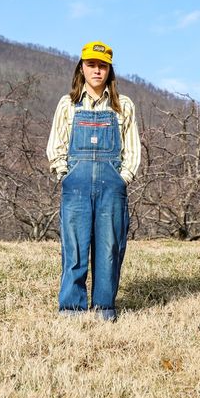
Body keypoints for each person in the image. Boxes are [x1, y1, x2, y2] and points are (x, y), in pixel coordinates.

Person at [45, 41, 140, 321]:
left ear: (109, 69)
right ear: (82, 68)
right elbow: (56, 145)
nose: (97, 71)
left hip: (112, 187)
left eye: (102, 66)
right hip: (76, 186)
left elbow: (132, 149)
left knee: (109, 248)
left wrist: (123, 179)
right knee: (74, 247)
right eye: (91, 65)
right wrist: (64, 174)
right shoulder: (68, 104)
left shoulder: (123, 106)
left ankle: (104, 309)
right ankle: (72, 309)